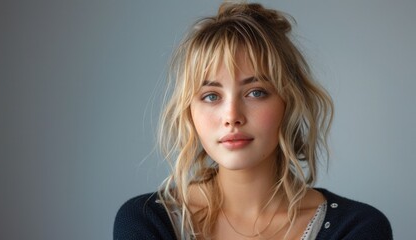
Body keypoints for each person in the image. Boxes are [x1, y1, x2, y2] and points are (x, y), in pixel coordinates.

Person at [114, 2, 392, 239]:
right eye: (211, 96)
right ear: (189, 111)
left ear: (289, 101)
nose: (232, 116)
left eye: (255, 92)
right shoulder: (146, 221)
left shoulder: (358, 228)